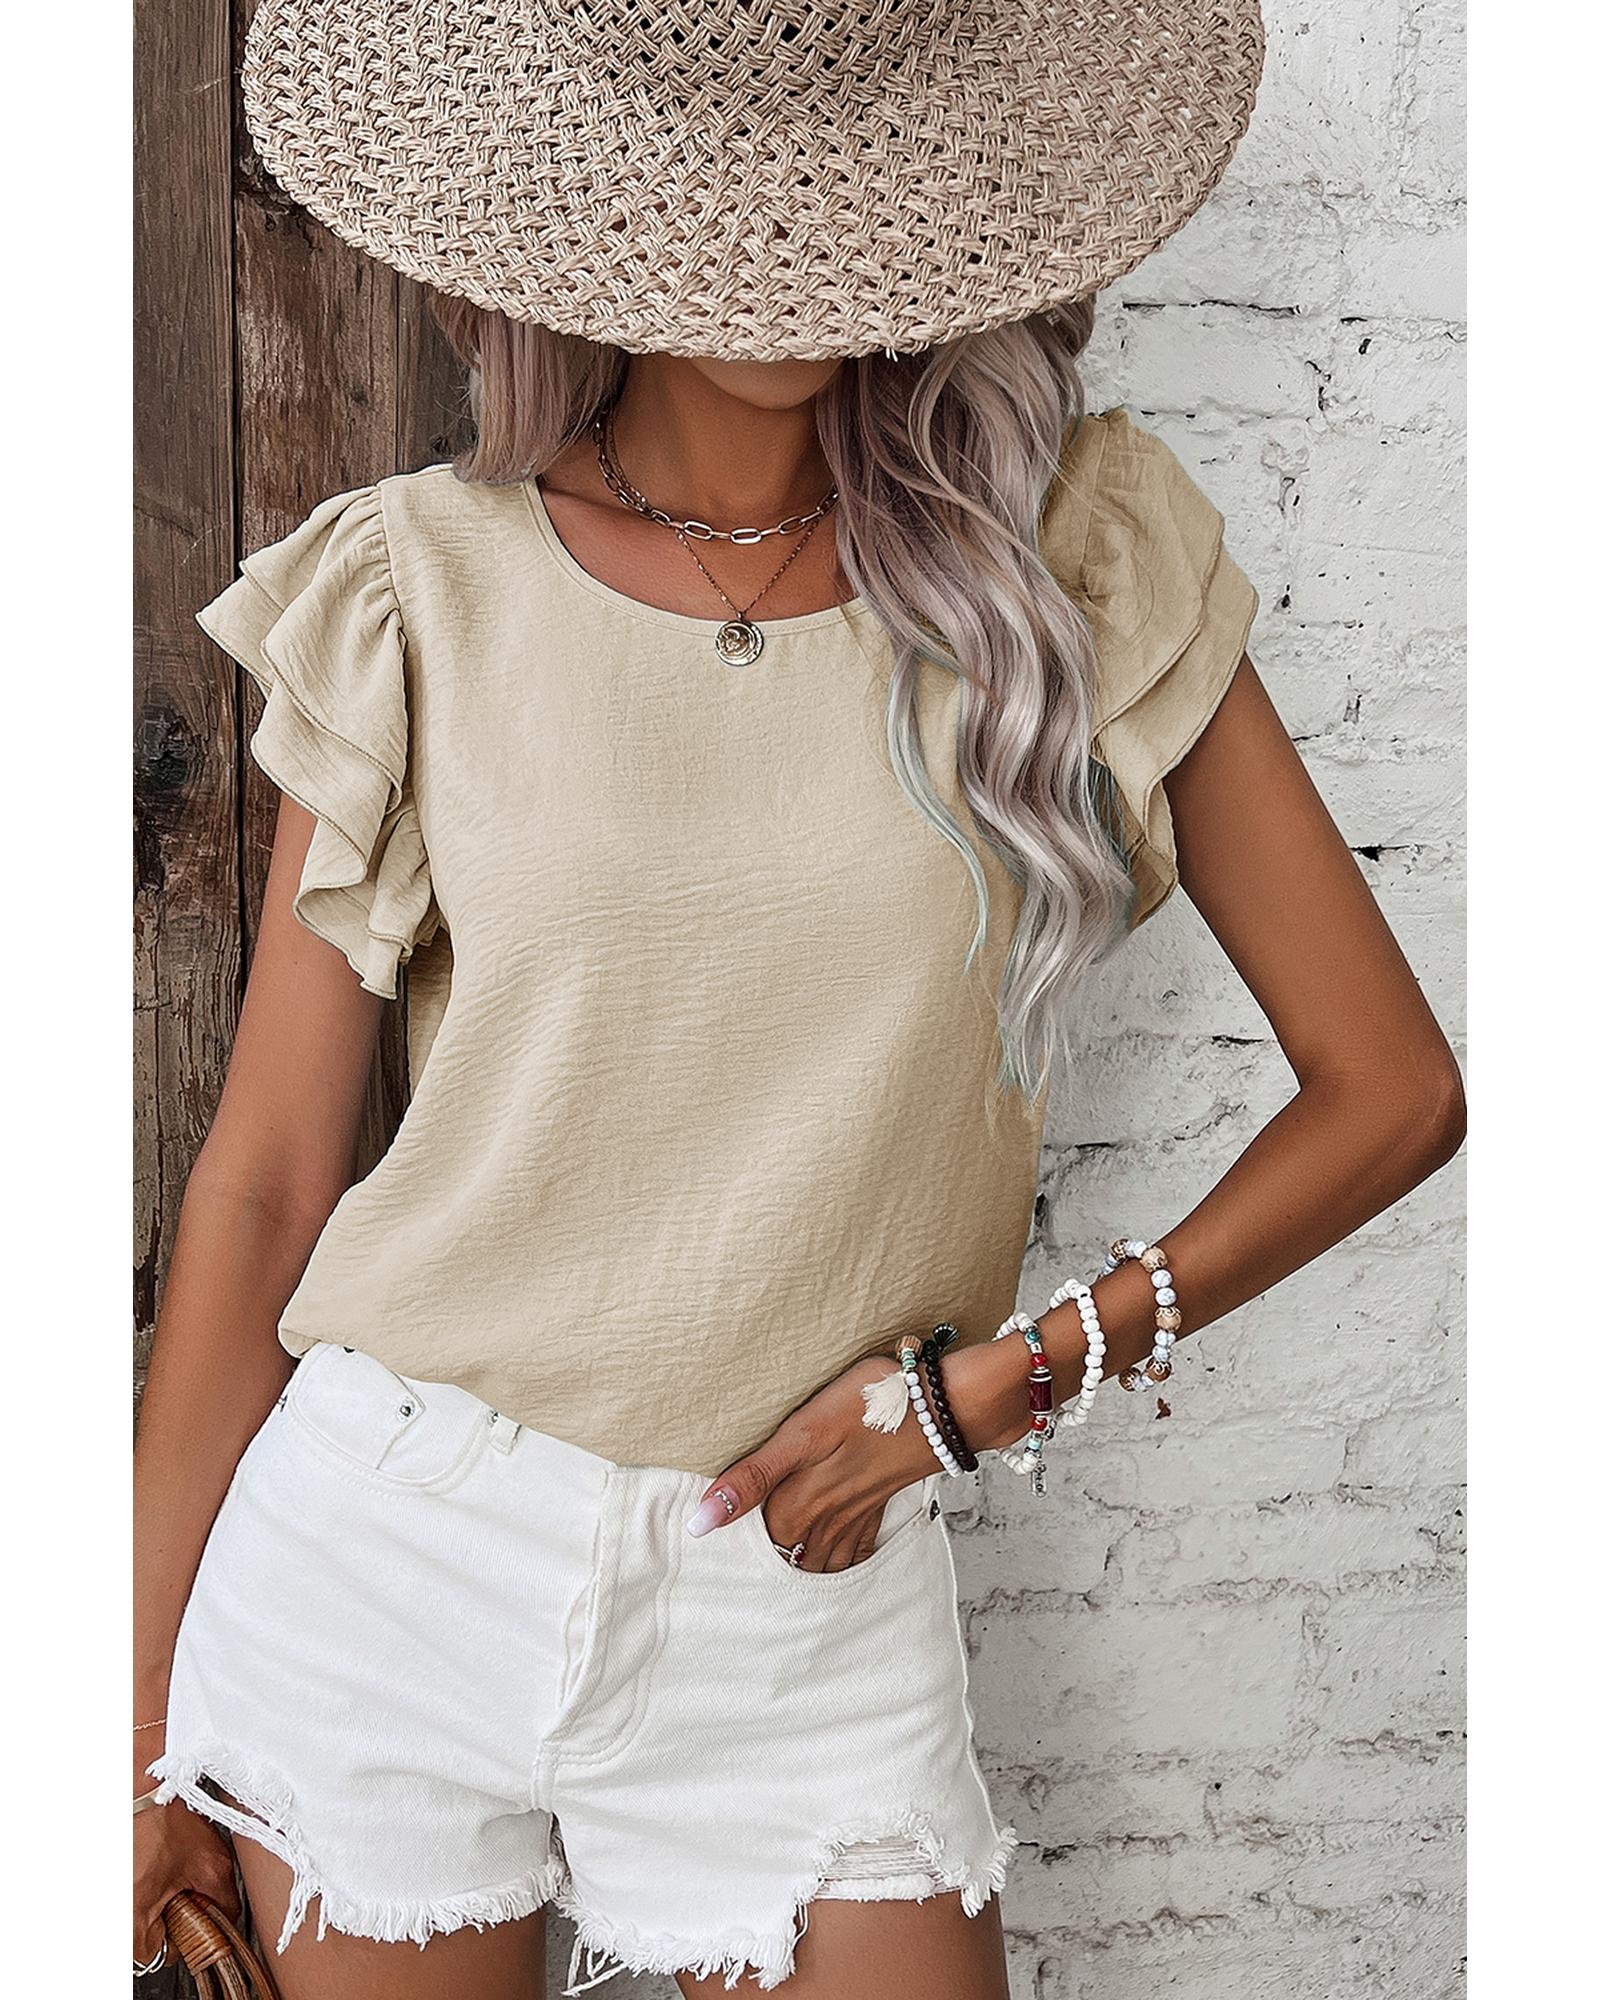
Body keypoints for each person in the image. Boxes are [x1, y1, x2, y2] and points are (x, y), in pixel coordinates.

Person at [133, 4, 1464, 1995]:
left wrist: (1002, 1383)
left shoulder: (1078, 561)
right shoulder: (418, 584)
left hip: (808, 1574)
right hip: (389, 1554)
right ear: (588, 199)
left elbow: (1391, 1089)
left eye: (832, 182)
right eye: (718, 186)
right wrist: (126, 1727)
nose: (776, 245)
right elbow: (264, 1185)